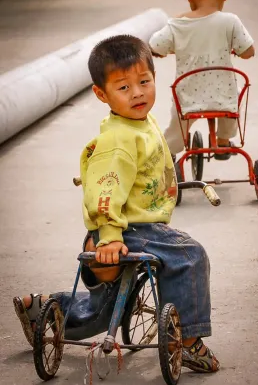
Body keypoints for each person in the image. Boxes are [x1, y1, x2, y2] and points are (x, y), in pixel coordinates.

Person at [13, 35, 219, 373]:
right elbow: (104, 188)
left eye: (144, 81)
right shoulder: (118, 140)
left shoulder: (140, 119)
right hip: (127, 227)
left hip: (135, 224)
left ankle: (40, 307)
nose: (137, 93)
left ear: (155, 78)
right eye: (123, 87)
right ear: (101, 94)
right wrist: (108, 235)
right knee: (189, 255)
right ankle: (189, 341)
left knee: (106, 309)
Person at [149, 0, 255, 160]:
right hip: (222, 97)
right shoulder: (230, 21)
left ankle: (170, 151)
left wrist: (173, 39)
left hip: (189, 99)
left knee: (178, 122)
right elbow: (249, 51)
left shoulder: (177, 25)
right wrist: (235, 49)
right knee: (232, 103)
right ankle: (223, 142)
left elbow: (154, 46)